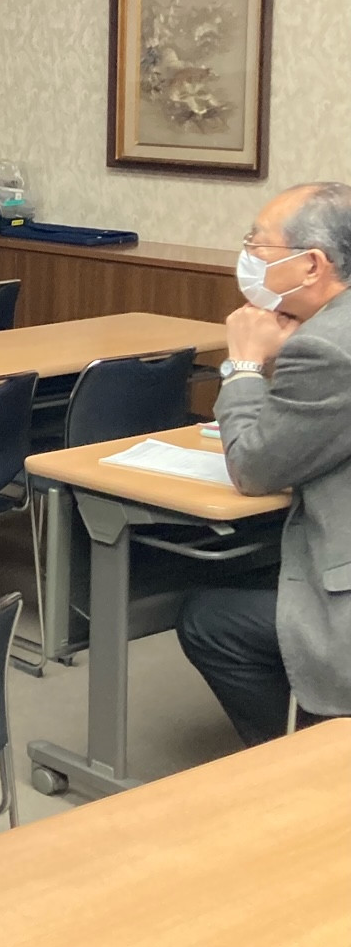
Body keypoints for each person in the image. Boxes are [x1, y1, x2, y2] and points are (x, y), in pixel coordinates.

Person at [176, 182, 351, 746]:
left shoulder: (326, 347)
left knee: (209, 619)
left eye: (259, 245)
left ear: (311, 266)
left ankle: (298, 768)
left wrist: (244, 366)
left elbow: (253, 469)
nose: (247, 257)